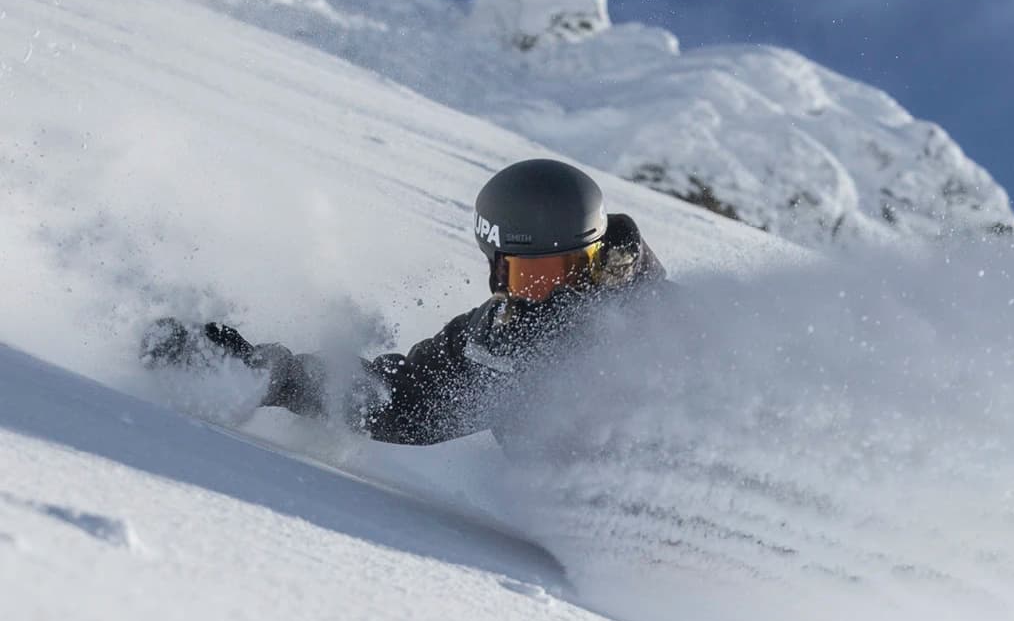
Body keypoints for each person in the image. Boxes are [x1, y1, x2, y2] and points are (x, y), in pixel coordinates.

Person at [142, 158, 664, 446]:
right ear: (496, 269)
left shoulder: (647, 311)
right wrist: (268, 374)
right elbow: (402, 400)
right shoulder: (496, 341)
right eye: (530, 276)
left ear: (598, 256)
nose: (553, 292)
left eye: (571, 269)